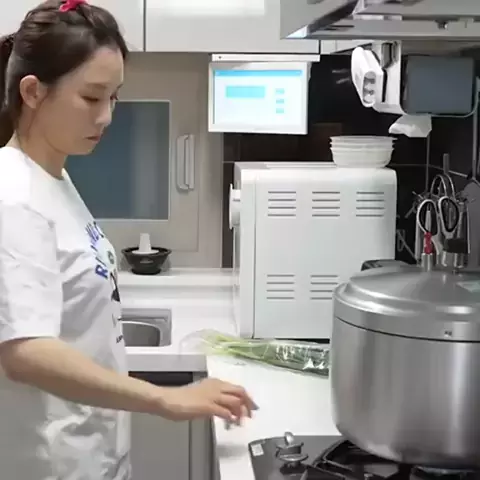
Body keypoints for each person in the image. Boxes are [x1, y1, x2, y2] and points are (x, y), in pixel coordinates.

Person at [0, 0, 256, 478]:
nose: (107, 117)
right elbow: (24, 352)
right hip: (52, 463)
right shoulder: (12, 195)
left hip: (91, 451)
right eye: (91, 97)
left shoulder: (54, 179)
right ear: (32, 92)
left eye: (114, 98)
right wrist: (165, 398)